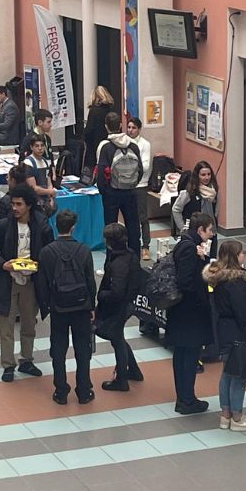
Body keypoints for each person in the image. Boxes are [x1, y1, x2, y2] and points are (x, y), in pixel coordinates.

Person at [0, 185, 52, 382]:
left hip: (32, 281)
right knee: (5, 324)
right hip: (8, 280)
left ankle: (27, 360)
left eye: (19, 204)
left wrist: (42, 265)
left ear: (29, 206)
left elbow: (50, 250)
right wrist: (2, 264)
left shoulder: (42, 225)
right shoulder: (3, 226)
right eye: (13, 204)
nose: (14, 208)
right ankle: (8, 364)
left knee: (29, 322)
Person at [36, 210, 97, 405]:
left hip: (58, 308)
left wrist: (45, 307)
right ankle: (84, 390)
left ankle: (61, 391)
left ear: (56, 226)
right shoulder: (84, 250)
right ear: (73, 227)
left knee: (59, 350)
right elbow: (90, 282)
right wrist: (91, 306)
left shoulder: (46, 252)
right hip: (81, 308)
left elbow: (42, 283)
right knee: (83, 350)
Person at [206, 240, 246, 431]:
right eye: (242, 252)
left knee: (227, 373)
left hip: (223, 329)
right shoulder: (236, 281)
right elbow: (242, 312)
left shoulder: (218, 278)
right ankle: (238, 418)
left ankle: (225, 415)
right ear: (235, 256)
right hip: (239, 332)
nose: (244, 255)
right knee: (239, 375)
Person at [169, 212, 216, 414]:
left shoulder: (184, 243)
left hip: (181, 312)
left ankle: (184, 397)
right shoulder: (190, 248)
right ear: (200, 230)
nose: (212, 235)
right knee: (189, 356)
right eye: (210, 231)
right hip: (190, 313)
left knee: (181, 355)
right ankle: (187, 399)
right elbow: (187, 281)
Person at [95, 223, 144, 391]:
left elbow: (117, 292)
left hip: (118, 306)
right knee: (119, 338)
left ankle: (122, 379)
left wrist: (101, 295)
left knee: (117, 340)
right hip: (127, 304)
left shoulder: (118, 263)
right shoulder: (129, 255)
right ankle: (134, 370)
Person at [96, 112, 143, 252]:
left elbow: (101, 173)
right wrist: (132, 183)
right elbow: (140, 170)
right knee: (133, 226)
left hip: (112, 192)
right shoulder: (133, 145)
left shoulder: (106, 147)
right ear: (121, 125)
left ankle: (112, 258)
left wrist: (103, 190)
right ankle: (135, 258)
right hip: (130, 191)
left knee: (111, 228)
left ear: (106, 127)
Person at [126, 117, 153, 261]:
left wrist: (129, 170)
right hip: (126, 185)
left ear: (139, 129)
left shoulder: (145, 144)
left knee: (143, 217)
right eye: (129, 127)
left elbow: (146, 165)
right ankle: (132, 245)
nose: (130, 130)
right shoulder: (124, 142)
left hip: (140, 185)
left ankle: (146, 246)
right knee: (130, 217)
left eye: (133, 128)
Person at [172, 160, 218, 236]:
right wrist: (183, 228)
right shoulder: (188, 192)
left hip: (211, 232)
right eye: (203, 175)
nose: (207, 177)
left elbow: (216, 211)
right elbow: (176, 209)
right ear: (197, 176)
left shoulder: (214, 191)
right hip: (193, 233)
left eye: (209, 174)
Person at [22, 135, 57, 212]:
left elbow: (49, 183)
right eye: (37, 146)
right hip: (34, 201)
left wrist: (50, 198)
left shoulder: (45, 162)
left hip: (45, 198)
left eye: (42, 146)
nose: (40, 148)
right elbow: (34, 188)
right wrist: (50, 192)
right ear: (31, 147)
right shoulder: (28, 163)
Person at [83, 85, 115, 170]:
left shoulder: (94, 111)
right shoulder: (110, 110)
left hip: (94, 145)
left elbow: (89, 130)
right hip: (108, 142)